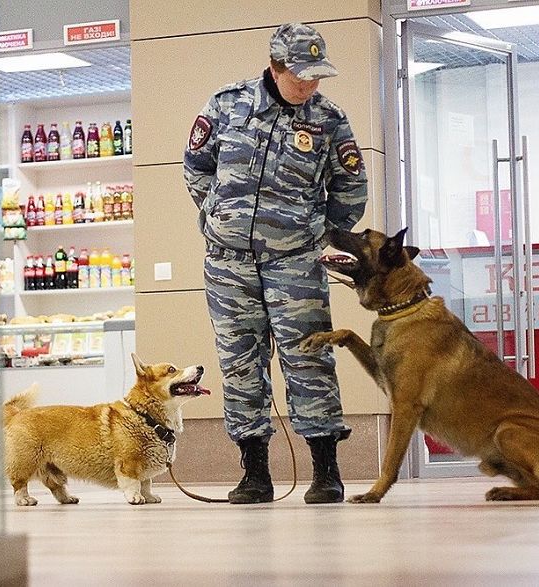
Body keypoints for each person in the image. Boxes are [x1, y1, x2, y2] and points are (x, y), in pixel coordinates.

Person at [183, 22, 368, 504]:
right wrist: (215, 216)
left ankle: (326, 471)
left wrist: (318, 233)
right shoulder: (227, 104)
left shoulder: (329, 119)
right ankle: (254, 474)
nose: (310, 84)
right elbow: (196, 166)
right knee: (240, 362)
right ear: (275, 66)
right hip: (228, 263)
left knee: (309, 358)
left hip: (295, 263)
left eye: (317, 75)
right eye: (302, 75)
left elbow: (351, 188)